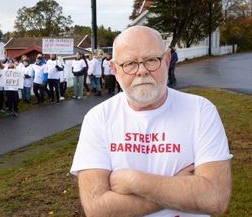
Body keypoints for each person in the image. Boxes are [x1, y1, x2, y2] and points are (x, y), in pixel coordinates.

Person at [70, 26, 232, 217]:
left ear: (166, 60)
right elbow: (97, 209)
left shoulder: (201, 111)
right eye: (130, 64)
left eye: (151, 60)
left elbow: (215, 198)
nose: (142, 71)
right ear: (114, 69)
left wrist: (134, 181)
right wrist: (178, 187)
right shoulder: (98, 118)